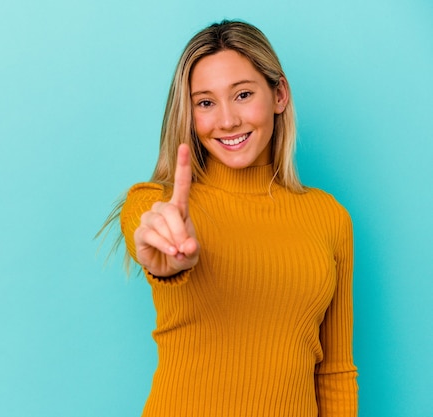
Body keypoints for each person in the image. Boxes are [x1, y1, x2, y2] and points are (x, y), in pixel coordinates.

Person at [102, 19, 358, 416]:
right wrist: (166, 254)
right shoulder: (157, 202)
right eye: (205, 102)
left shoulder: (329, 217)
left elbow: (335, 373)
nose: (226, 121)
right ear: (189, 114)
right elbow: (146, 227)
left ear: (279, 94)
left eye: (242, 95)